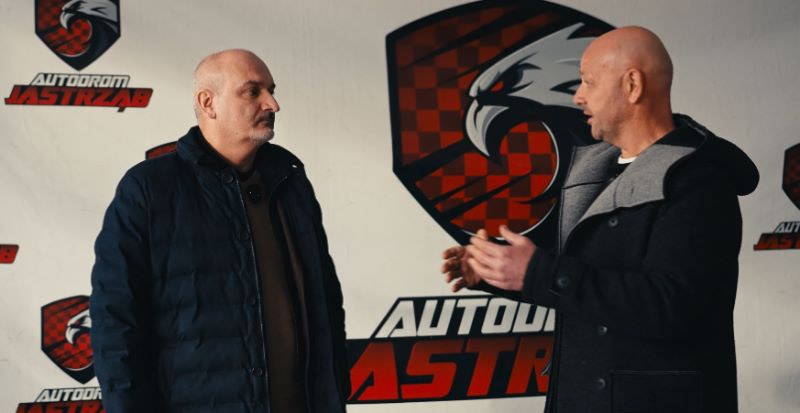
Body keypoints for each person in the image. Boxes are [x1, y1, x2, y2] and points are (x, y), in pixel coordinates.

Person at [442, 27, 758, 412]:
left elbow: (671, 305)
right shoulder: (597, 172)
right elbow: (580, 277)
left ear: (632, 85)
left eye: (588, 81)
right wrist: (499, 271)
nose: (578, 95)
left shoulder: (698, 181)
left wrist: (539, 272)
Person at [90, 49, 349, 413]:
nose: (272, 104)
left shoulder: (290, 183)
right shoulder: (149, 190)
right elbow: (115, 322)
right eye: (253, 91)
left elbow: (325, 302)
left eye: (271, 90)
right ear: (207, 102)